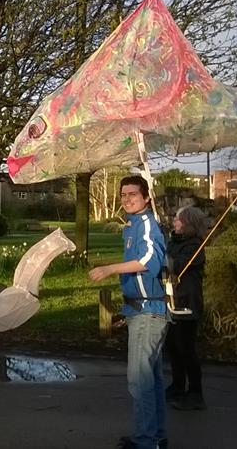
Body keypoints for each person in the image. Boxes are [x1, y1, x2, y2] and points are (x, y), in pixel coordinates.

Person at [88, 176, 168, 449]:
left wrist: (109, 269)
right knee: (151, 379)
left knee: (140, 380)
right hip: (141, 310)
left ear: (146, 197)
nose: (127, 199)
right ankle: (155, 437)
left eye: (133, 194)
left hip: (148, 311)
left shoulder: (146, 223)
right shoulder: (133, 224)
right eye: (123, 195)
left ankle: (146, 441)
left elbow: (150, 261)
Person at [164, 205, 208, 411]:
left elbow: (177, 266)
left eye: (178, 219)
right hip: (173, 301)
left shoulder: (195, 246)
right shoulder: (174, 242)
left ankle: (196, 392)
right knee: (173, 347)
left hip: (187, 303)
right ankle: (178, 385)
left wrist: (164, 258)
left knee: (186, 349)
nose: (175, 222)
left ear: (188, 223)